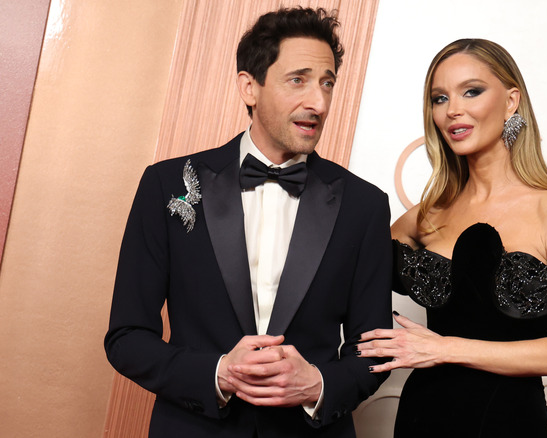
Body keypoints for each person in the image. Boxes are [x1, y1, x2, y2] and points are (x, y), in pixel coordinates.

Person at [104, 8, 392, 438]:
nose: (319, 102)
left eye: (327, 83)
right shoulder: (167, 183)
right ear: (249, 86)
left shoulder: (365, 205)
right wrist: (218, 373)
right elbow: (126, 337)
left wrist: (318, 385)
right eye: (298, 80)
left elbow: (372, 351)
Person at [357, 39, 547, 437]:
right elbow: (346, 277)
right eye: (439, 98)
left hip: (510, 422)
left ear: (511, 100)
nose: (453, 110)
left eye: (472, 91)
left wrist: (443, 348)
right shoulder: (426, 216)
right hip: (423, 418)